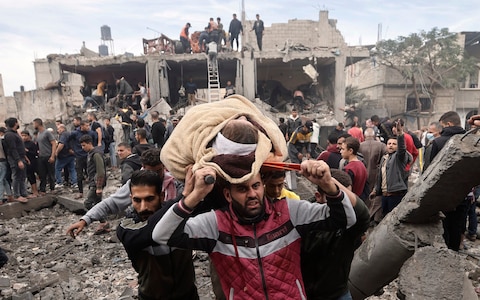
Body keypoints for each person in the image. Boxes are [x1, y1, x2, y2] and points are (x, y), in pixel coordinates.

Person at [151, 158, 356, 299]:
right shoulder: (215, 224)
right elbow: (162, 235)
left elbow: (347, 219)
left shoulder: (289, 212)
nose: (251, 194)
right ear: (228, 195)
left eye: (255, 186)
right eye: (242, 188)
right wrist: (194, 196)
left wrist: (328, 185)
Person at [117, 170, 199, 300]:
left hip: (188, 295)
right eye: (137, 200)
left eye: (149, 199)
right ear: (130, 199)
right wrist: (183, 198)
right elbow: (151, 230)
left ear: (161, 196)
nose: (143, 207)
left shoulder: (179, 213)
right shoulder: (127, 227)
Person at [66, 148, 177, 237]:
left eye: (158, 171)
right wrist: (85, 220)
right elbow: (112, 203)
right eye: (150, 172)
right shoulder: (136, 184)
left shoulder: (175, 182)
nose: (155, 176)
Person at [302, 169, 370, 300]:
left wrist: (328, 181)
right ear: (318, 196)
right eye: (335, 197)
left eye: (346, 198)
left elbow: (363, 214)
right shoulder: (302, 218)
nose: (344, 204)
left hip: (338, 294)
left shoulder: (350, 223)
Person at [424, 111, 466, 251]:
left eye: (442, 126)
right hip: (464, 194)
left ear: (448, 124)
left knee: (443, 226)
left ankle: (445, 254)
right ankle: (454, 252)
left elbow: (428, 171)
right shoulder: (469, 140)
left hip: (441, 194)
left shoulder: (437, 142)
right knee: (458, 226)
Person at [370, 120, 412, 217]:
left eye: (394, 144)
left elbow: (402, 149)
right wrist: (376, 190)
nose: (391, 146)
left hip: (396, 195)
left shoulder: (399, 157)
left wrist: (400, 134)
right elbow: (380, 176)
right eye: (389, 144)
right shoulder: (384, 158)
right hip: (385, 196)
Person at [79, 135, 108, 234]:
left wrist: (99, 187)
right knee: (98, 203)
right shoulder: (91, 153)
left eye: (84, 145)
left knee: (88, 203)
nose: (83, 148)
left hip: (96, 183)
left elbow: (100, 171)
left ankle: (103, 221)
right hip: (93, 181)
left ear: (89, 143)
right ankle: (103, 222)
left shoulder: (96, 154)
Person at [69, 121, 98, 199]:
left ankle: (92, 190)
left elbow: (95, 140)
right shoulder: (75, 133)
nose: (88, 127)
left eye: (89, 125)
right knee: (79, 175)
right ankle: (80, 192)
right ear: (81, 126)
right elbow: (67, 139)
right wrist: (71, 149)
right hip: (79, 156)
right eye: (86, 125)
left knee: (91, 173)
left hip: (88, 155)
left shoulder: (91, 133)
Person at [3, 118, 29, 202]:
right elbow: (12, 149)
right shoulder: (9, 135)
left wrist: (24, 157)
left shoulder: (14, 133)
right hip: (15, 159)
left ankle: (24, 193)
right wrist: (18, 160)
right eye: (17, 122)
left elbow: (19, 147)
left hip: (21, 157)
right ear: (15, 123)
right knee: (16, 176)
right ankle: (17, 195)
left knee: (22, 176)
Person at [33, 118, 57, 195]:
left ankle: (52, 188)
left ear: (37, 123)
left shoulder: (47, 133)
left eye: (34, 123)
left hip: (48, 155)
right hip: (41, 157)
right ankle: (43, 190)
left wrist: (52, 156)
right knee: (42, 174)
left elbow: (53, 143)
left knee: (51, 173)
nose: (33, 125)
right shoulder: (39, 134)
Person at [54, 124, 77, 189]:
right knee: (72, 169)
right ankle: (75, 183)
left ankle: (59, 182)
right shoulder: (69, 134)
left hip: (64, 155)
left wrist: (56, 152)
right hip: (71, 155)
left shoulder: (63, 135)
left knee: (58, 168)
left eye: (58, 129)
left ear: (62, 128)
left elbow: (61, 144)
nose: (58, 130)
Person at [20, 130, 39, 198]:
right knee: (29, 177)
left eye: (25, 135)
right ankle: (33, 190)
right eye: (22, 136)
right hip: (25, 162)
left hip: (32, 162)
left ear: (28, 136)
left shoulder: (31, 144)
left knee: (32, 176)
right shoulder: (22, 144)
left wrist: (27, 151)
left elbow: (35, 153)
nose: (24, 137)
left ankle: (35, 191)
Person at [0, 127, 13, 202]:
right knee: (4, 179)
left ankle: (0, 198)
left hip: (1, 161)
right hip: (3, 161)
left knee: (1, 180)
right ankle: (9, 195)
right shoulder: (3, 140)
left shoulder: (2, 140)